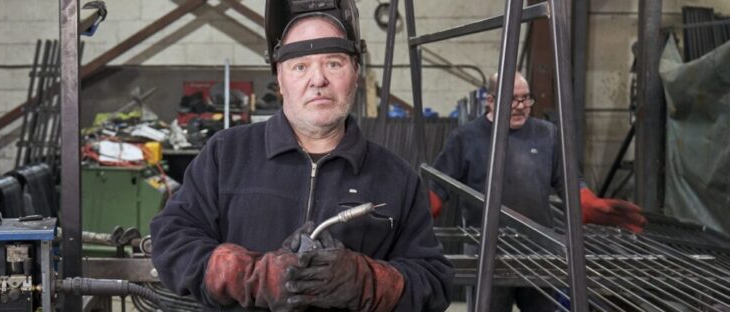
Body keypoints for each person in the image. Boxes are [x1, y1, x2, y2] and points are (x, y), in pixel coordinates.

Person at [149, 0, 454, 311]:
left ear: (356, 73)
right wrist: (252, 276)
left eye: (333, 63)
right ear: (280, 79)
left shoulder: (397, 178)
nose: (318, 80)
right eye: (300, 66)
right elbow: (171, 240)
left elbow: (434, 282)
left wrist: (366, 282)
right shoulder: (226, 154)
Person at [428, 72, 648, 311]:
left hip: (539, 249)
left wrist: (586, 202)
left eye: (526, 98)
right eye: (512, 99)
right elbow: (439, 185)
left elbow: (569, 180)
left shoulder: (547, 134)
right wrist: (424, 209)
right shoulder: (465, 138)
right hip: (487, 252)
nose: (521, 106)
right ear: (490, 100)